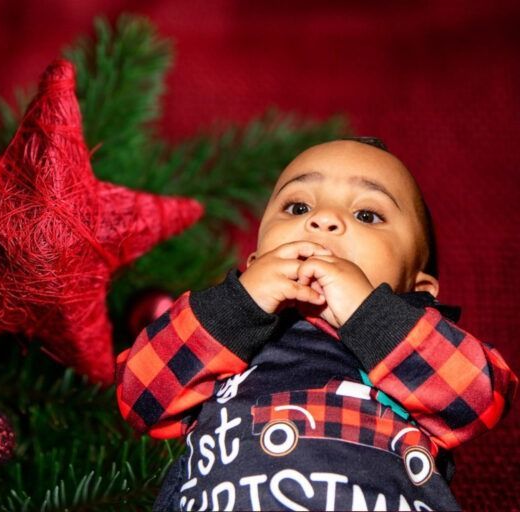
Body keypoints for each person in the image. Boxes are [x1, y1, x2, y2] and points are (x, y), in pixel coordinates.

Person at [115, 138, 518, 511]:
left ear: (417, 289)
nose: (323, 220)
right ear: (255, 262)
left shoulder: (414, 340)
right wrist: (239, 305)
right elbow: (139, 396)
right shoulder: (224, 329)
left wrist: (373, 314)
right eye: (298, 208)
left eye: (367, 214)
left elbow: (481, 400)